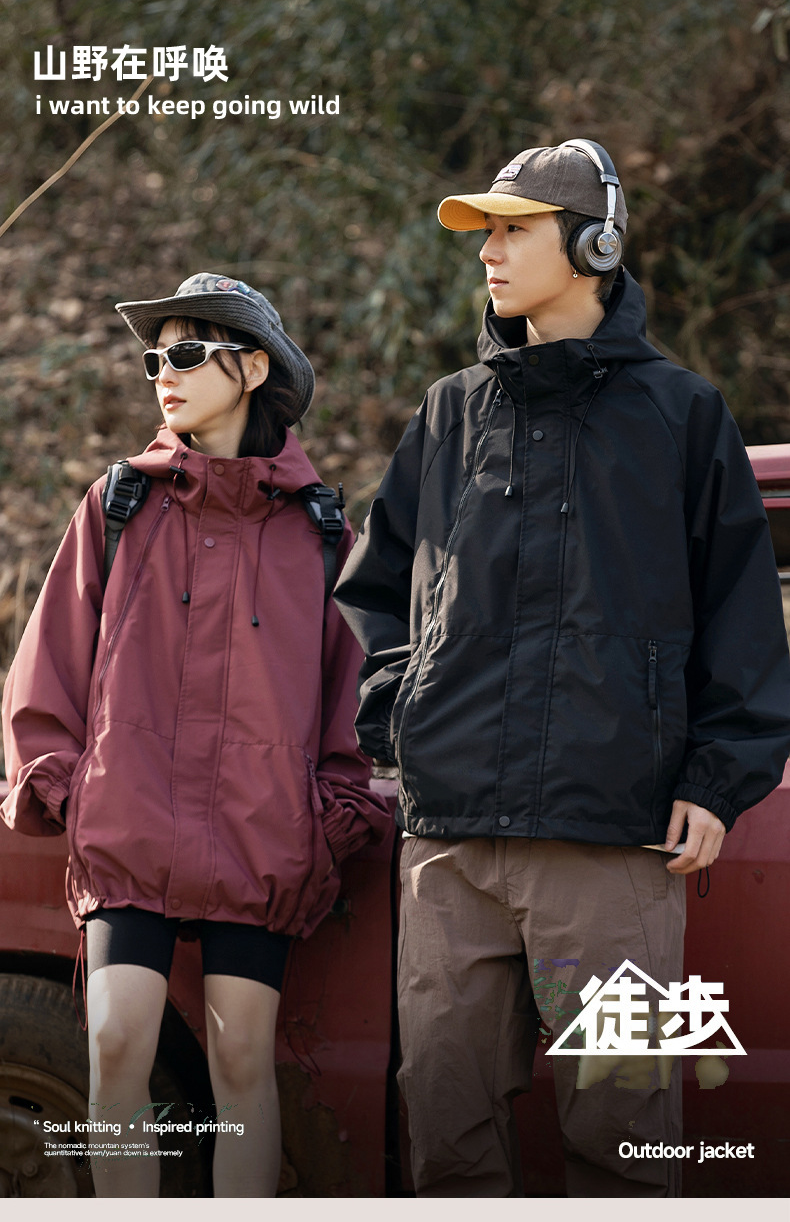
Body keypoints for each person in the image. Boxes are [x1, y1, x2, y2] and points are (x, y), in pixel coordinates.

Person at [333, 141, 790, 1197]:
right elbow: (375, 589)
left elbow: (740, 614)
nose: (487, 252)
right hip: (452, 848)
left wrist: (717, 775)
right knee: (445, 1139)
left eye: (513, 229)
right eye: (483, 232)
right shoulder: (449, 413)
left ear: (595, 246)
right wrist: (407, 720)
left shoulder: (683, 415)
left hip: (613, 846)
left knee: (626, 1141)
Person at [1, 272, 390, 1198]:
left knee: (243, 1062)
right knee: (114, 1041)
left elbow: (350, 698)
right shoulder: (117, 504)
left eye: (184, 353)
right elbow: (48, 661)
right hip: (132, 816)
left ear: (252, 368)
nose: (162, 375)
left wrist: (322, 816)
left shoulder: (320, 531)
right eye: (153, 359)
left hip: (259, 829)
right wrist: (70, 783)